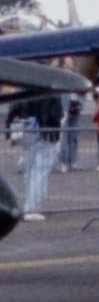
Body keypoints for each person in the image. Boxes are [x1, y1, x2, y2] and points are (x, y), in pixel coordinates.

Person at [6, 93, 62, 221]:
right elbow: (55, 114)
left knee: (30, 169)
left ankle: (29, 203)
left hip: (25, 131)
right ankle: (33, 207)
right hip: (45, 132)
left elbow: (13, 109)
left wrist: (9, 132)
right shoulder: (51, 92)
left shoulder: (23, 88)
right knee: (40, 171)